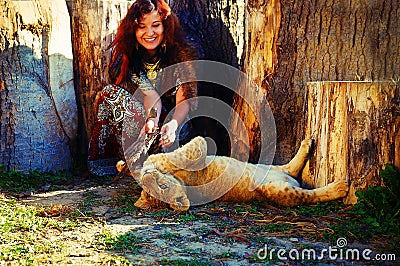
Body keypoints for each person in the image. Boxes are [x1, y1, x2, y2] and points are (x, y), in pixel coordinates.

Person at [88, 0, 198, 176]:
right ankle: (131, 160)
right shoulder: (130, 55)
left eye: (156, 25)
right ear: (134, 29)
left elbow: (184, 100)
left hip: (174, 126)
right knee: (110, 94)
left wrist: (172, 125)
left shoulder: (181, 54)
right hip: (146, 124)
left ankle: (154, 160)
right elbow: (151, 96)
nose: (149, 33)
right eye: (142, 26)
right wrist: (151, 120)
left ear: (165, 26)